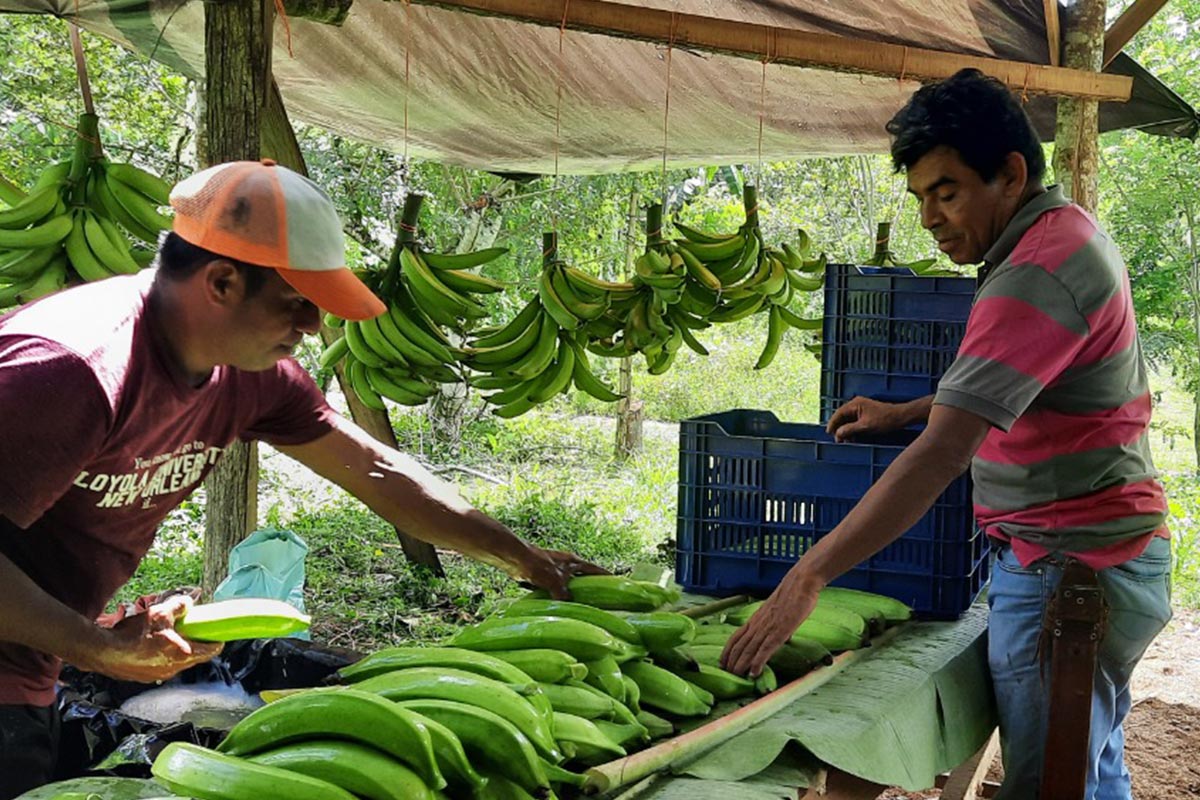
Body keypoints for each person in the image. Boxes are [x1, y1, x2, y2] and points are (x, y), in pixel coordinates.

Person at [0, 159, 604, 796]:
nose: (315, 326)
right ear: (224, 282)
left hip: (33, 657)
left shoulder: (250, 375)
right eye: (297, 303)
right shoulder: (70, 369)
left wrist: (522, 558)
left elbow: (376, 469)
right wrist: (98, 650)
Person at [722, 69, 1172, 800]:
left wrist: (808, 576)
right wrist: (904, 413)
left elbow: (942, 457)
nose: (929, 216)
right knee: (1089, 763)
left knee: (1052, 783)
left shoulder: (1036, 270)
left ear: (1010, 173)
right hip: (1101, 551)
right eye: (921, 198)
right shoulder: (1061, 236)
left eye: (947, 190)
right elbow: (1020, 384)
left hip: (1071, 566)